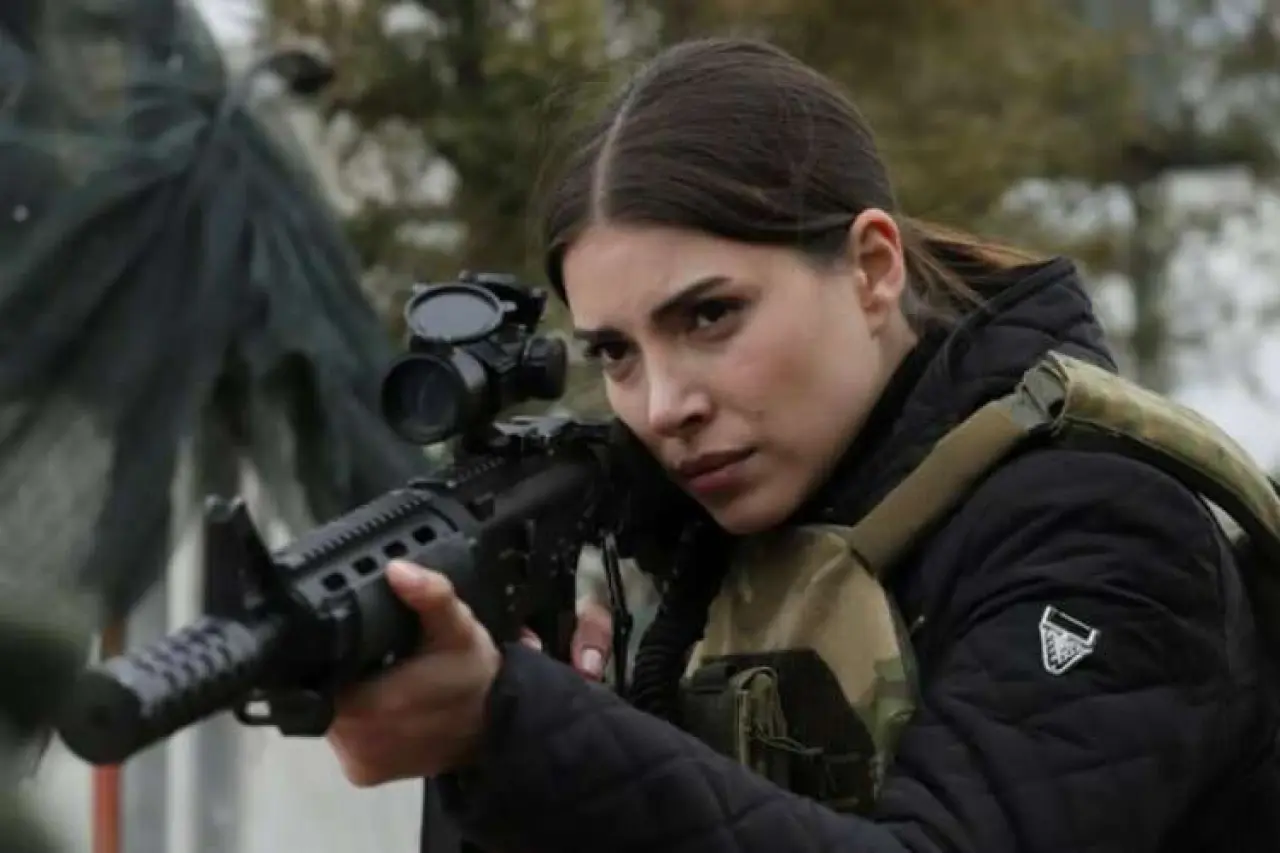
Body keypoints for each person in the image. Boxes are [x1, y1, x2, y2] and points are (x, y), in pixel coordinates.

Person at [323, 36, 1280, 853]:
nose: (664, 405)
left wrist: (523, 727)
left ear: (871, 269)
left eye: (710, 315)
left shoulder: (1101, 526)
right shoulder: (694, 544)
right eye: (615, 352)